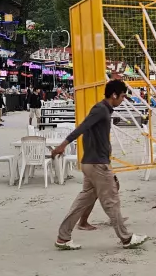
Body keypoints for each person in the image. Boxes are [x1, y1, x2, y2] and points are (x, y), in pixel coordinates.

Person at [52, 79, 148, 251]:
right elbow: (81, 128)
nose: (123, 100)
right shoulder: (100, 109)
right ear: (114, 95)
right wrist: (63, 144)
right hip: (97, 164)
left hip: (92, 163)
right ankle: (126, 238)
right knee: (112, 200)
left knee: (82, 202)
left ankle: (63, 237)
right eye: (122, 97)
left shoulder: (104, 110)